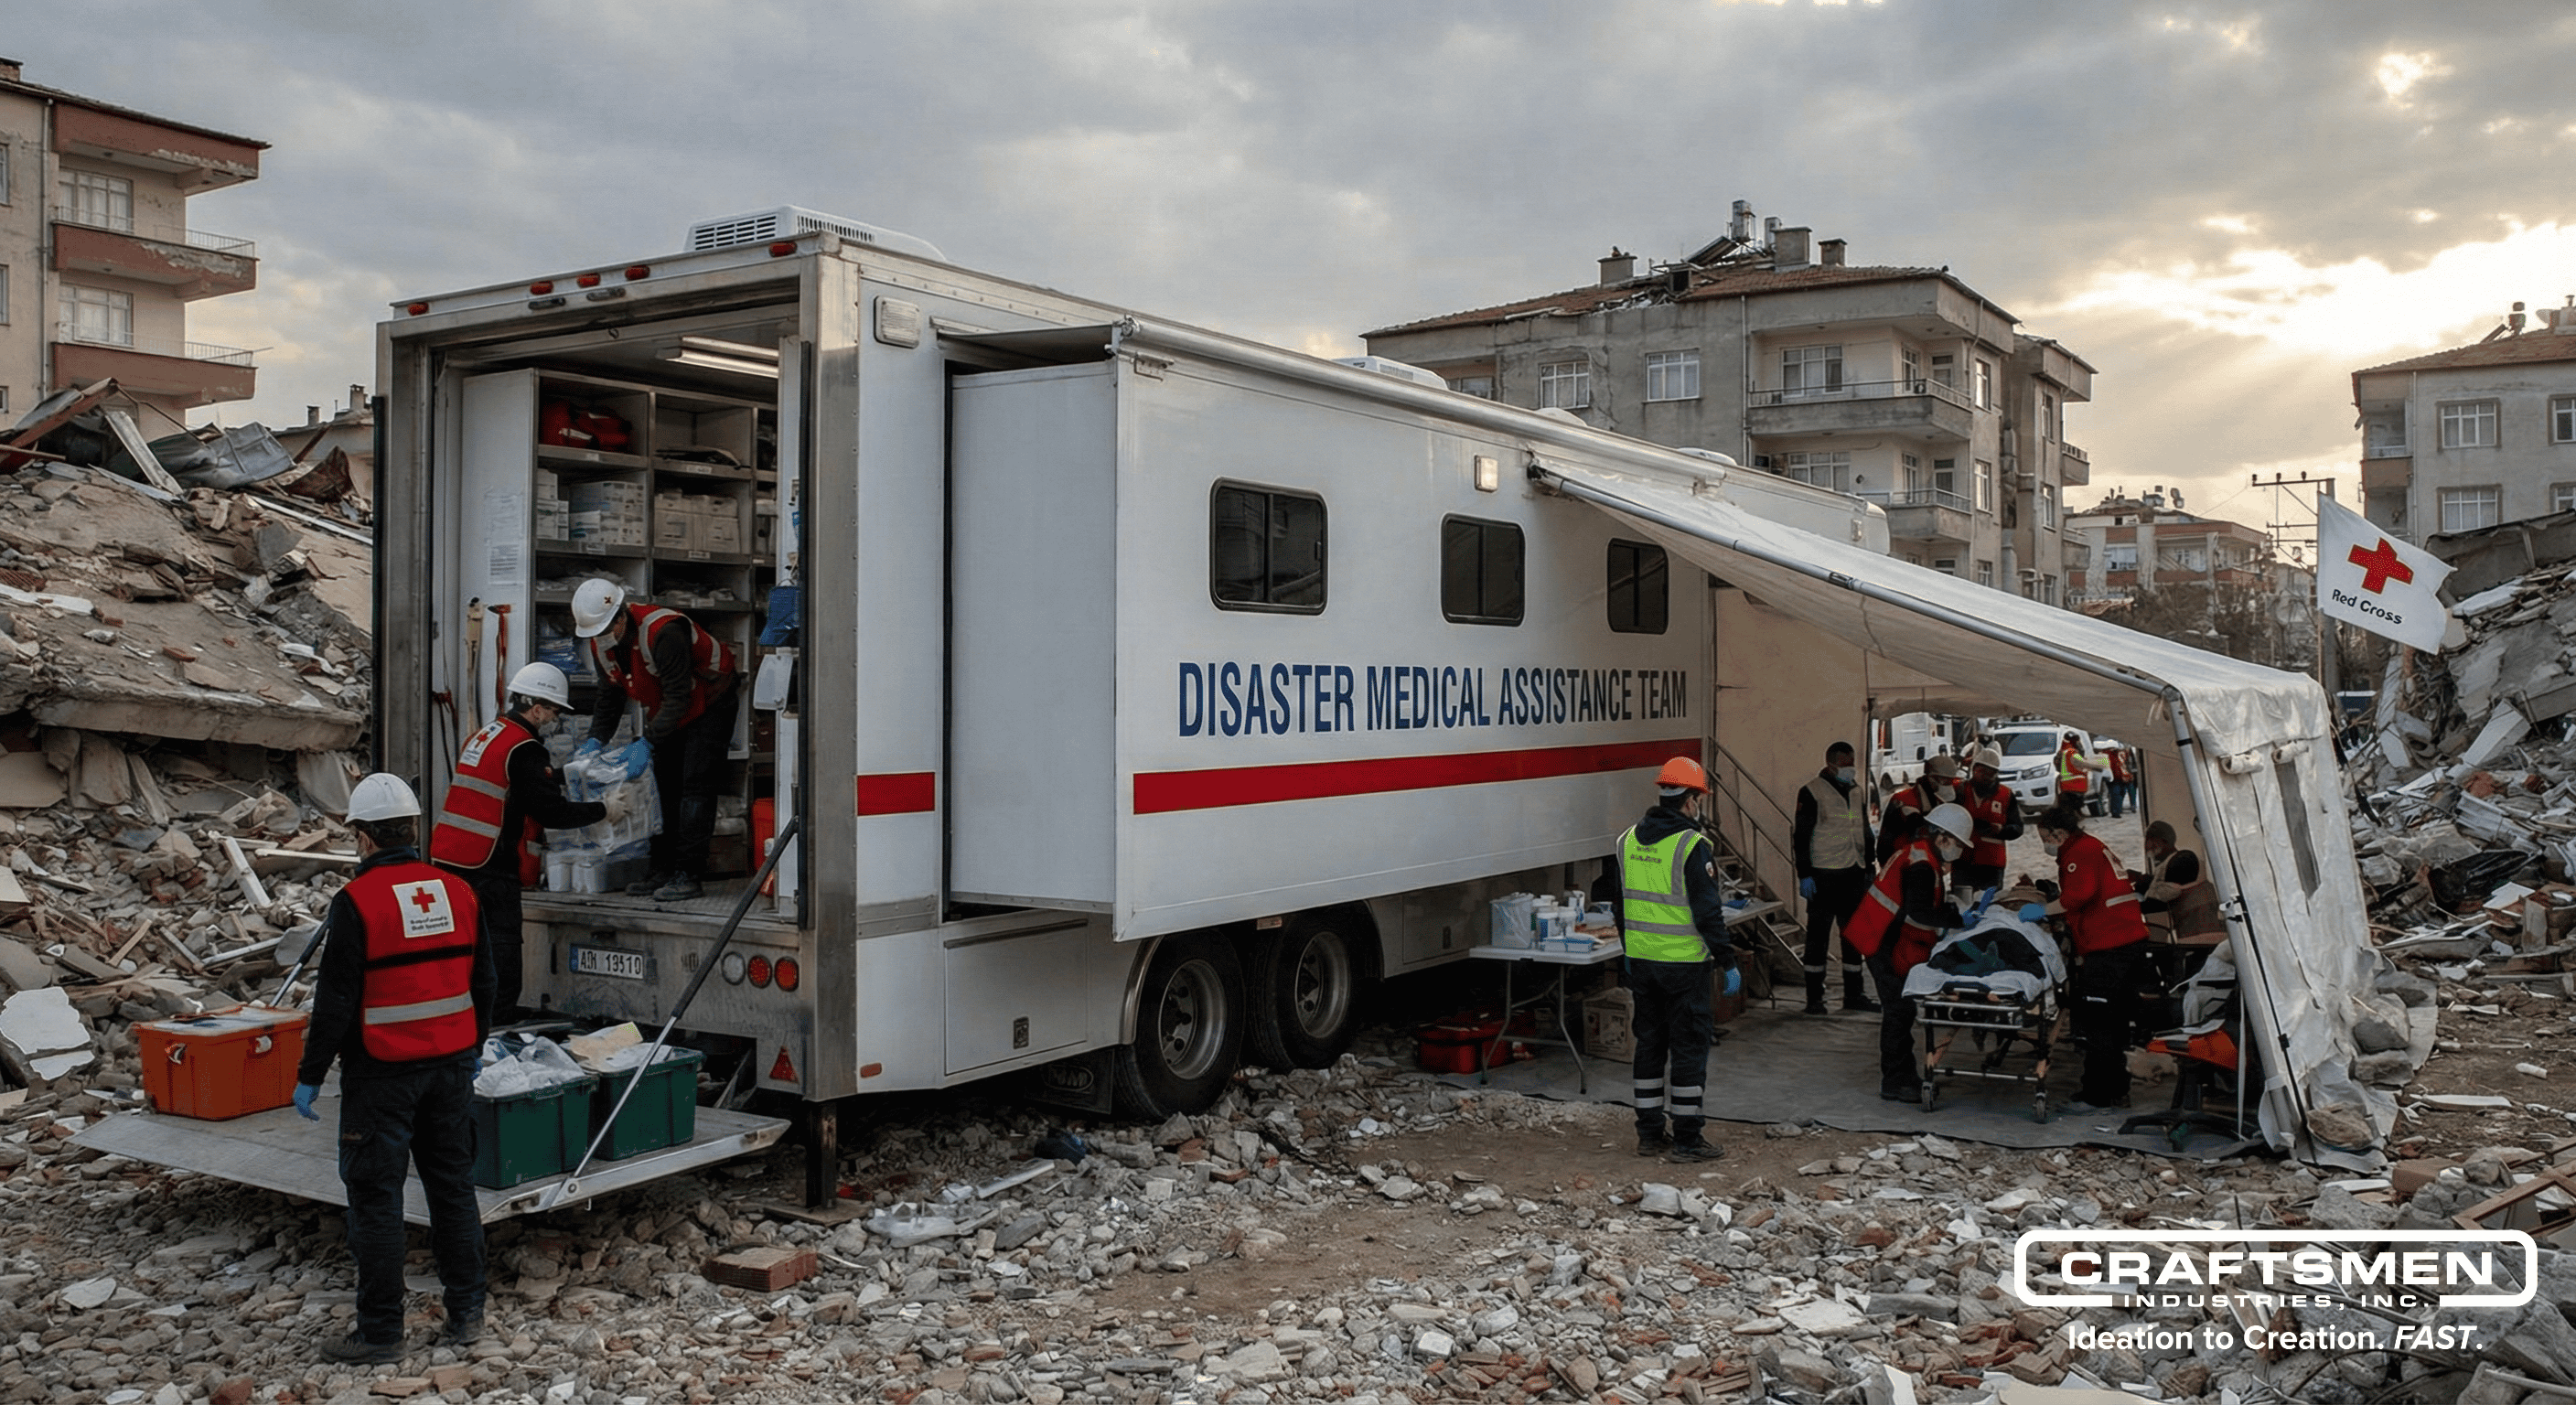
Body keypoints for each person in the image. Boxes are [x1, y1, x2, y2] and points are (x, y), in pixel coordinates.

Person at [292, 774, 491, 1363]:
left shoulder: (356, 903)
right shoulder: (458, 891)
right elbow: (487, 981)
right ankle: (467, 1315)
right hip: (452, 1066)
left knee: (376, 1199)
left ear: (363, 838)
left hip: (382, 1072)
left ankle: (381, 1333)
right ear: (413, 829)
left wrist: (309, 1073)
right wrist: (472, 1045)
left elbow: (334, 1001)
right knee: (453, 1189)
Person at [429, 661, 612, 1020]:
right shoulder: (525, 748)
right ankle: (497, 1025)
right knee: (502, 947)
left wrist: (565, 775)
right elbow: (552, 813)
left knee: (464, 948)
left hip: (451, 857)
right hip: (489, 864)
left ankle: (462, 1021)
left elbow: (518, 780)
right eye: (554, 711)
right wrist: (605, 810)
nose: (554, 719)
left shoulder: (487, 735)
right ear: (537, 707)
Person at [572, 578, 740, 903]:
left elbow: (679, 696)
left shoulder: (663, 631)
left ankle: (688, 873)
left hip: (709, 702)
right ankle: (662, 868)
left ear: (621, 617)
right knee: (661, 787)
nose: (601, 639)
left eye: (606, 629)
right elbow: (609, 698)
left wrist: (647, 743)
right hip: (670, 706)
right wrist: (595, 741)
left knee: (695, 786)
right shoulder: (601, 641)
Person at [1609, 756, 1739, 1162]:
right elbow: (1707, 912)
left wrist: (1628, 951)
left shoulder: (1627, 840)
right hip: (1684, 965)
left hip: (1643, 964)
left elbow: (1619, 905)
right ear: (1691, 799)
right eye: (1700, 797)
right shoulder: (1691, 845)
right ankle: (1687, 1138)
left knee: (1649, 1044)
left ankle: (1649, 1134)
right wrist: (1728, 959)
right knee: (1688, 1048)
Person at [1849, 802, 1977, 1102]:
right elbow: (1919, 913)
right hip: (1880, 937)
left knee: (1901, 1010)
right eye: (1957, 844)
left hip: (1882, 933)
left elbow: (1919, 907)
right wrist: (1957, 920)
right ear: (1943, 837)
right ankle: (1895, 1081)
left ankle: (1904, 1076)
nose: (1958, 851)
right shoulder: (1921, 865)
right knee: (1897, 1011)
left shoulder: (1922, 854)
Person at [2033, 806, 2151, 1112]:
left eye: (2045, 837)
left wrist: (2041, 911)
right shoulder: (2092, 846)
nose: (2044, 844)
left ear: (2058, 833)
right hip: (2126, 942)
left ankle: (2096, 1095)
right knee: (2114, 1022)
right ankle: (2116, 1090)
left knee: (2097, 1021)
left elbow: (2078, 896)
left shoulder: (2079, 853)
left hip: (2110, 946)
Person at [1792, 741, 1878, 1016]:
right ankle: (1814, 999)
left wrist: (1869, 865)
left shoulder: (1857, 791)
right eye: (1844, 763)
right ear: (1830, 764)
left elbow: (1864, 828)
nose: (1849, 768)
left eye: (1851, 762)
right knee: (1817, 938)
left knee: (1853, 936)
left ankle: (1854, 994)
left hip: (1853, 871)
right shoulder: (1811, 792)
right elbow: (1801, 837)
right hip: (1823, 874)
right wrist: (1804, 874)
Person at [2131, 819, 2225, 945]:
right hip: (2209, 930)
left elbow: (2156, 899)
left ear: (2159, 842)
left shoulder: (2179, 863)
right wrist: (2141, 880)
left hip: (2197, 936)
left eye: (2149, 841)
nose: (2146, 847)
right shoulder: (2182, 860)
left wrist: (2128, 906)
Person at [1953, 745, 2023, 894]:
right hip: (1963, 861)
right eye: (1981, 772)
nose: (1985, 777)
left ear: (1996, 774)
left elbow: (2018, 828)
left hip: (1992, 865)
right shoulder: (1960, 790)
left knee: (1989, 908)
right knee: (1961, 903)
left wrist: (2002, 830)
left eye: (1990, 774)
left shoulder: (2006, 795)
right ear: (1974, 769)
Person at [1876, 754, 1963, 863]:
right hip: (1904, 862)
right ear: (1932, 778)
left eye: (1951, 781)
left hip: (1928, 861)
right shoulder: (1904, 799)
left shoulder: (1940, 800)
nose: (1948, 785)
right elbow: (1886, 839)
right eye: (1945, 781)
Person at [2054, 734, 2105, 812]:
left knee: (2069, 805)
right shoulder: (2073, 752)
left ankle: (2073, 815)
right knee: (2076, 804)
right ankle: (2075, 816)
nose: (2079, 743)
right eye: (2078, 741)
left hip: (2064, 783)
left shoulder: (2063, 751)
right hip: (2075, 783)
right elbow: (2083, 764)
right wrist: (2098, 767)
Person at [2104, 745, 2136, 820]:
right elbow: (2114, 767)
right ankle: (2116, 811)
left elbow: (2126, 765)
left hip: (2123, 776)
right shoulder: (2109, 754)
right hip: (2116, 777)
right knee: (2116, 794)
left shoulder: (2122, 753)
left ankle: (2117, 810)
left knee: (2120, 793)